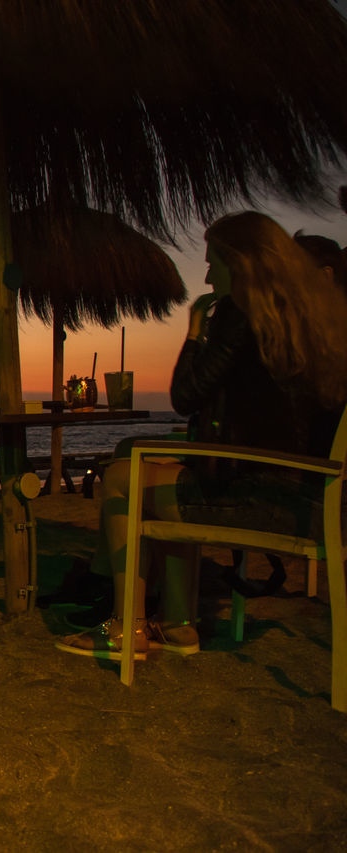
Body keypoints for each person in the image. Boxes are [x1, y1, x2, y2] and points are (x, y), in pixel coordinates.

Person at [56, 211, 347, 661]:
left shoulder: (242, 311)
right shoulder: (320, 321)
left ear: (240, 264)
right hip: (315, 500)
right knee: (162, 474)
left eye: (214, 263)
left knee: (121, 478)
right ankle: (177, 624)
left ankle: (124, 627)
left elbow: (186, 395)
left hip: (262, 499)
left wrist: (194, 333)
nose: (207, 276)